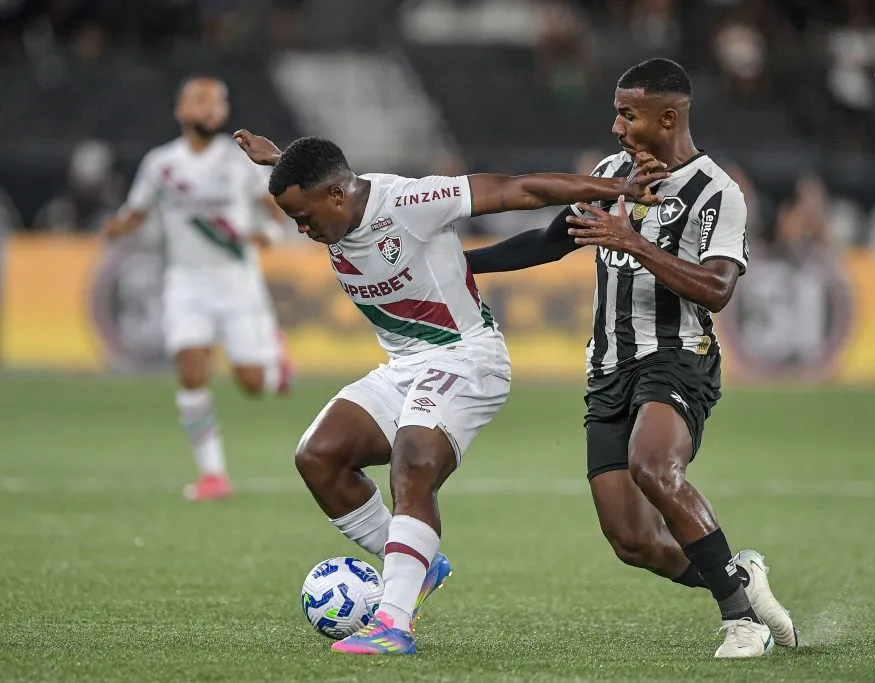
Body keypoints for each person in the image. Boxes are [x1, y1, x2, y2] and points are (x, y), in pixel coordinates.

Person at [232, 129, 669, 656]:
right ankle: (420, 565)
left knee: (413, 460)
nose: (302, 229)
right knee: (318, 456)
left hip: (466, 358)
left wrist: (615, 187)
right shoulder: (332, 197)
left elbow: (519, 189)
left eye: (304, 217)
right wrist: (278, 159)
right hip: (405, 366)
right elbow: (317, 177)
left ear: (336, 196)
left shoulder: (410, 203)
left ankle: (392, 623)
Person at [465, 58, 798, 659]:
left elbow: (718, 289)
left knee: (654, 465)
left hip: (677, 357)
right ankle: (739, 578)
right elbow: (548, 242)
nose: (616, 127)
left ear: (667, 117)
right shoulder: (612, 173)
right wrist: (463, 265)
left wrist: (634, 243)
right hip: (607, 367)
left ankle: (740, 621)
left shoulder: (717, 191)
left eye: (627, 114)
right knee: (631, 540)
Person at [104, 76, 292, 501]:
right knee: (190, 372)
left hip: (236, 282)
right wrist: (116, 227)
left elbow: (274, 208)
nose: (209, 109)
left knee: (251, 384)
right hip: (185, 282)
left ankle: (274, 361)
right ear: (181, 111)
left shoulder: (236, 160)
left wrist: (271, 235)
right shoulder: (161, 163)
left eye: (217, 103)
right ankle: (213, 474)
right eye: (200, 101)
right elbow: (137, 211)